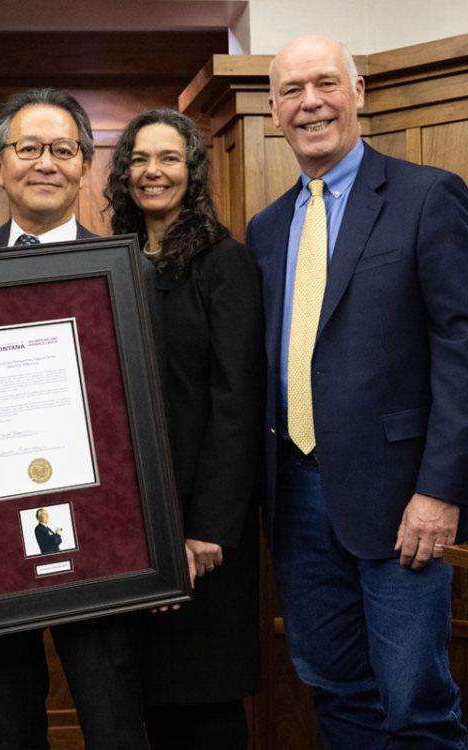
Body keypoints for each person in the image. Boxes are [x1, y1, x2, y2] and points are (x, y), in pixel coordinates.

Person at [247, 34, 468, 748]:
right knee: (334, 689)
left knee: (416, 706)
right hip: (298, 504)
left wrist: (441, 491)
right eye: (291, 91)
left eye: (325, 84)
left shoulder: (425, 197)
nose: (309, 103)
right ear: (275, 111)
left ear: (358, 92)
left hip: (404, 503)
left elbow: (461, 351)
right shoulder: (265, 228)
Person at [0, 87, 151, 750]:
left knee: (113, 712)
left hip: (103, 534)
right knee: (11, 715)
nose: (45, 162)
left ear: (86, 165)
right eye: (27, 148)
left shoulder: (131, 272)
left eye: (62, 149)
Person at [104, 107, 264, 749]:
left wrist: (207, 529)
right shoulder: (113, 260)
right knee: (149, 698)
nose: (152, 172)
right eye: (139, 159)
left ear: (193, 172)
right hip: (134, 523)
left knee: (204, 698)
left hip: (204, 529)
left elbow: (238, 400)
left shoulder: (223, 262)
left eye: (168, 158)